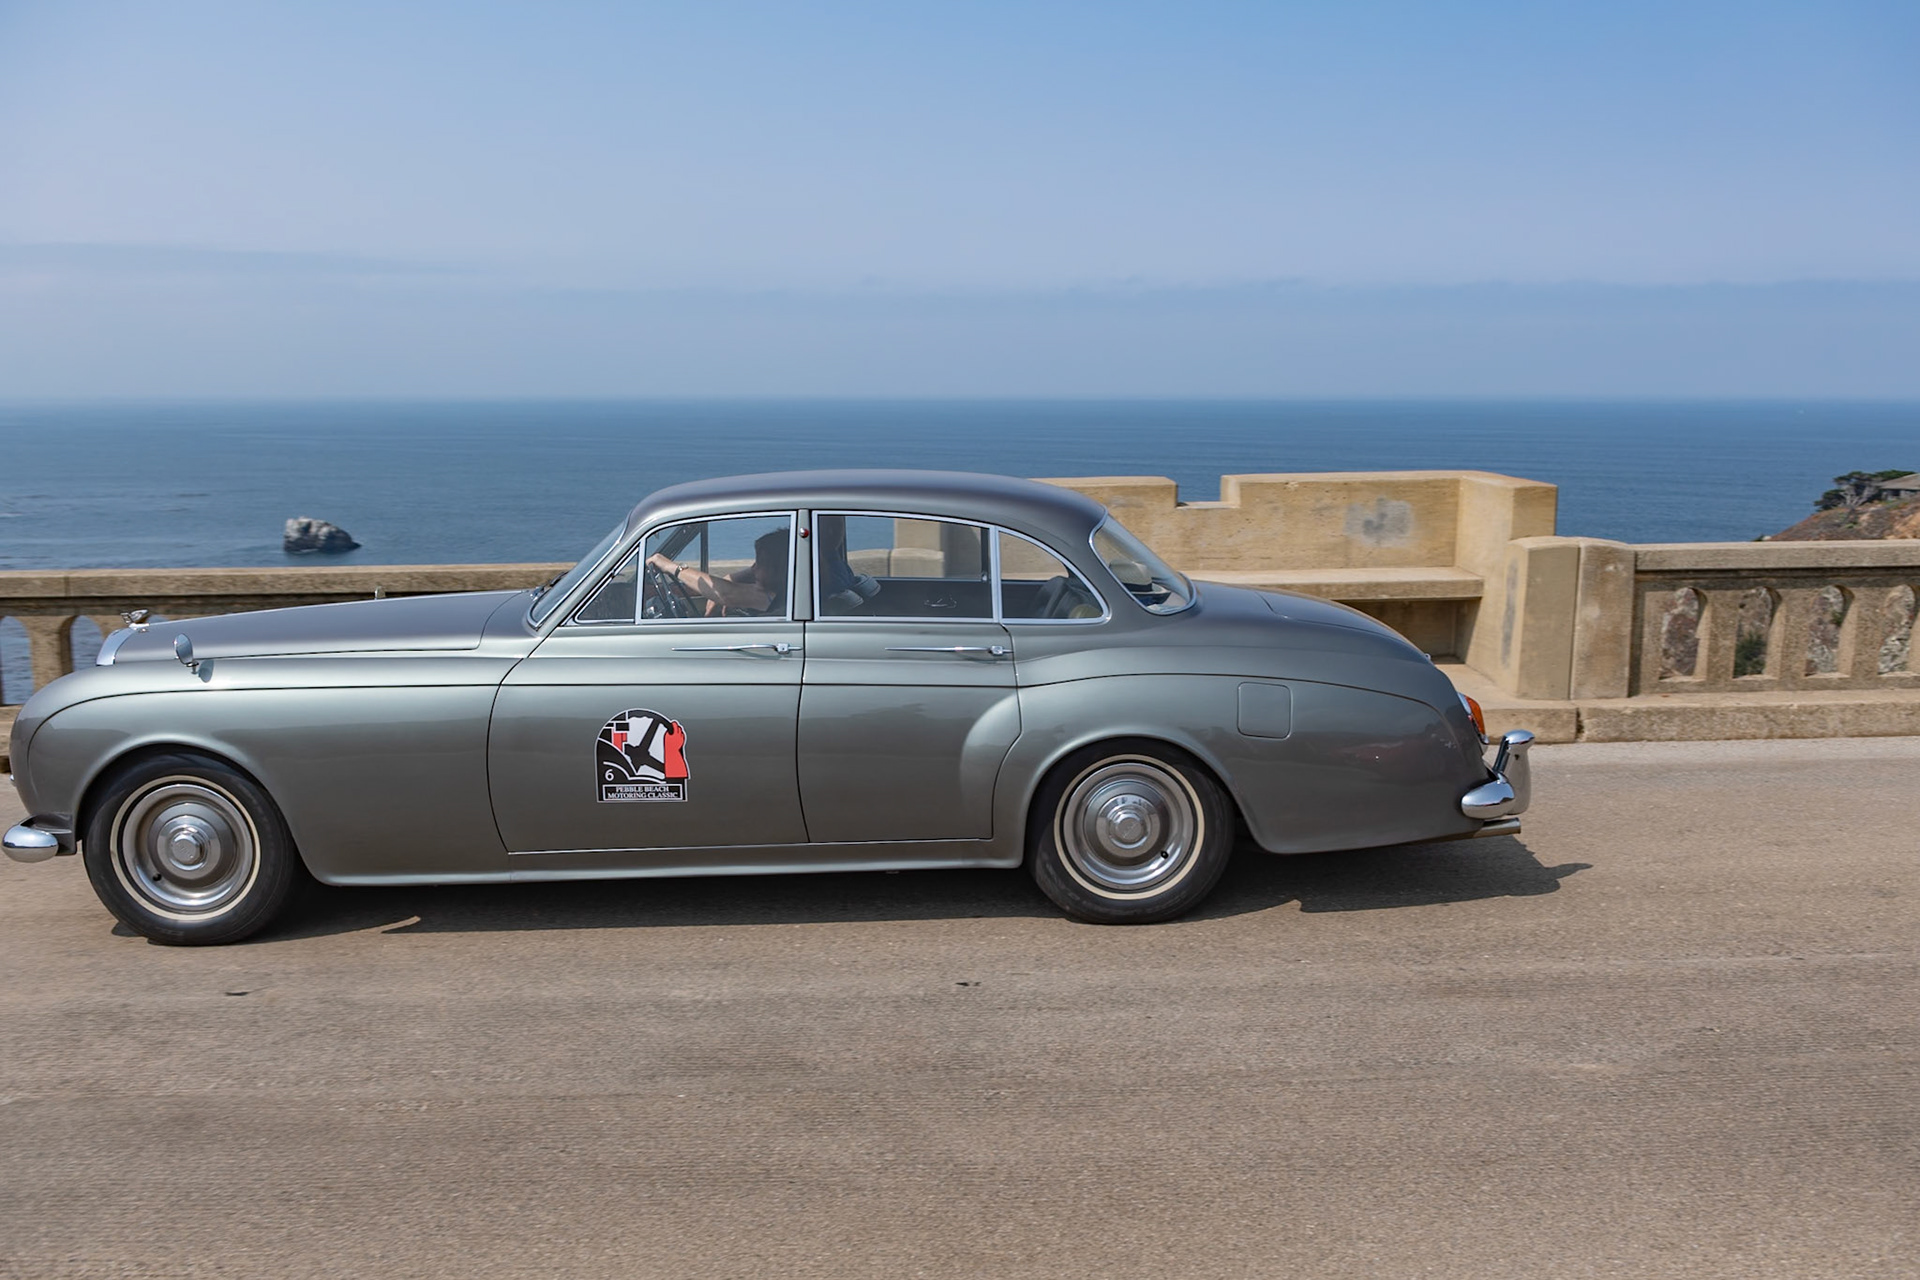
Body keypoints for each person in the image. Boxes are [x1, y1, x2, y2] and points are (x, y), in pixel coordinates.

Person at [647, 528, 789, 617]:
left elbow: (725, 593)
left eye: (760, 563)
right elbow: (726, 585)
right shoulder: (783, 590)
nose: (753, 568)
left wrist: (671, 567)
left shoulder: (772, 597)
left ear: (778, 568)